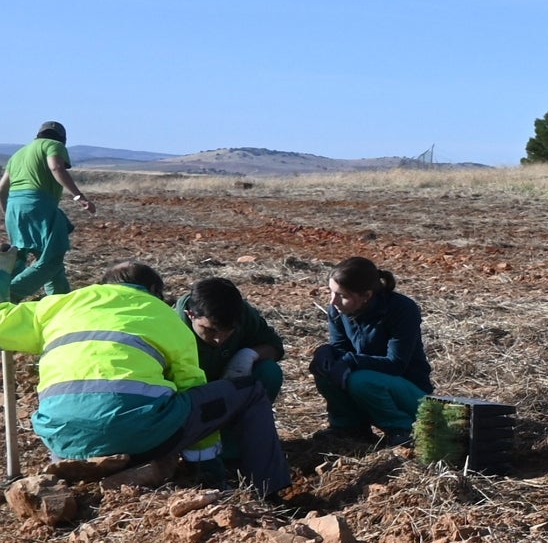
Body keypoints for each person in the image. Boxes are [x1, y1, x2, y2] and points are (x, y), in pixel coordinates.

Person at [1, 263, 287, 497]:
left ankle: (80, 467)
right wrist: (209, 471)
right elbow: (195, 393)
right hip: (142, 435)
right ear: (153, 291)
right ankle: (270, 489)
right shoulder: (165, 316)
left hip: (62, 439)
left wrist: (4, 271)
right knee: (250, 390)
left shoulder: (59, 306)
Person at [311, 257, 432, 446]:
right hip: (369, 385)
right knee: (325, 370)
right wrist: (326, 351)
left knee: (361, 380)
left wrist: (351, 361)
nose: (333, 301)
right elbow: (340, 348)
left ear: (366, 295)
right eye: (331, 292)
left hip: (410, 394)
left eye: (342, 295)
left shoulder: (401, 309)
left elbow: (396, 364)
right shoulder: (338, 310)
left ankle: (404, 430)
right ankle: (348, 428)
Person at [6, 123, 94, 303]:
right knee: (52, 259)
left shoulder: (18, 154)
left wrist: (9, 213)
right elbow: (56, 168)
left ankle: (60, 302)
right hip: (39, 206)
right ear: (63, 138)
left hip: (14, 208)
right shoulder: (54, 145)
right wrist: (79, 197)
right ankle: (9, 294)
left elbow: (2, 188)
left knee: (21, 258)